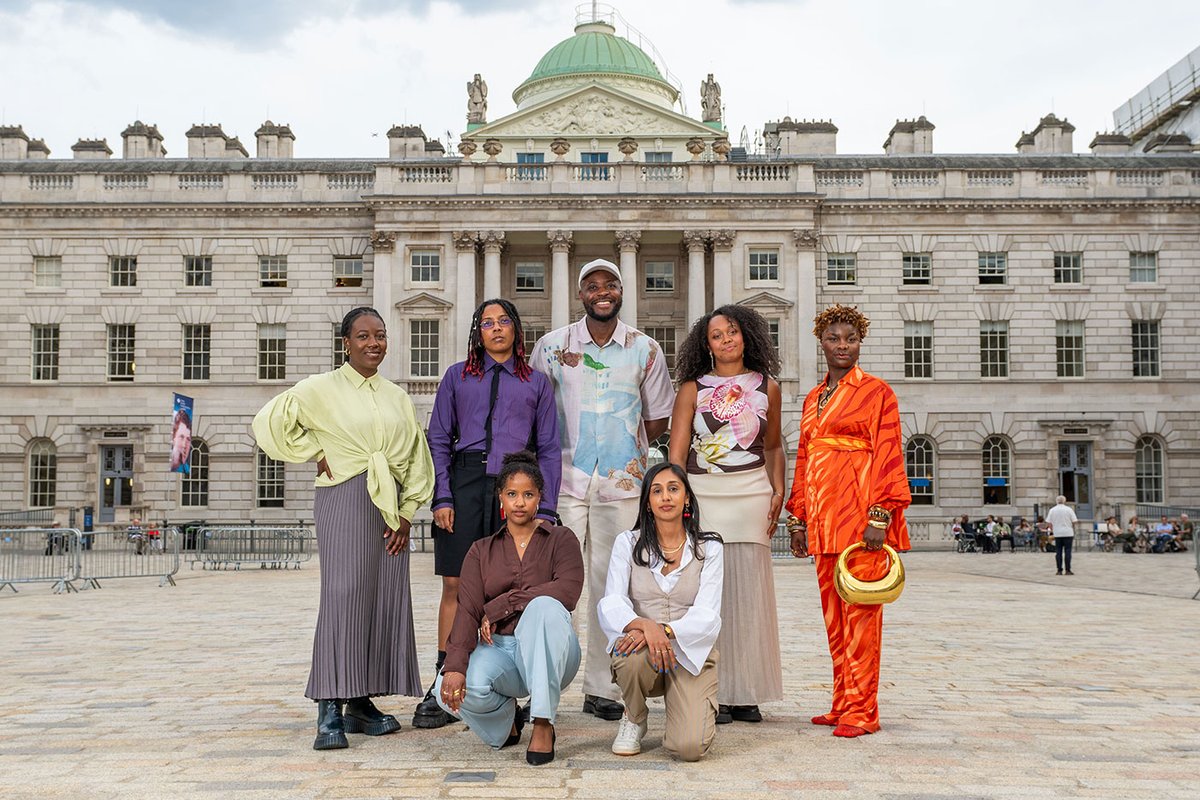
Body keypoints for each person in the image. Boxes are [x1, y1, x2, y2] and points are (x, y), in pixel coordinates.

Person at [252, 306, 434, 751]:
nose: (374, 343)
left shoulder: (397, 396)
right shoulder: (319, 388)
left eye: (381, 335)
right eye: (364, 336)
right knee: (344, 596)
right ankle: (328, 702)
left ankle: (360, 700)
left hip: (390, 506)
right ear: (346, 342)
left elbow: (415, 457)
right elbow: (268, 423)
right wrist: (314, 449)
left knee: (382, 596)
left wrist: (408, 514)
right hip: (345, 495)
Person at [530, 258, 675, 722]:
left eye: (610, 284)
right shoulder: (551, 347)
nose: (602, 292)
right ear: (581, 295)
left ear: (621, 291)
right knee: (553, 585)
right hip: (563, 481)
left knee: (611, 587)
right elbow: (536, 411)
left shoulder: (645, 349)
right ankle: (545, 684)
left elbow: (656, 420)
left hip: (622, 483)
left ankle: (600, 687)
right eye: (592, 286)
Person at [414, 299, 561, 730]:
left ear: (516, 329)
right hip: (463, 485)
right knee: (457, 583)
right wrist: (442, 496)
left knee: (513, 586)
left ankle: (512, 685)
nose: (496, 329)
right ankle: (444, 679)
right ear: (478, 331)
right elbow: (438, 438)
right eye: (487, 323)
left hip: (514, 486)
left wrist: (545, 507)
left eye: (503, 322)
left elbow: (549, 446)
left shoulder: (536, 382)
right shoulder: (457, 377)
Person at [785, 304, 911, 738]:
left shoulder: (877, 392)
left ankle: (864, 710)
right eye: (835, 338)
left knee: (862, 616)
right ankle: (842, 701)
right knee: (835, 618)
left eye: (851, 339)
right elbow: (803, 458)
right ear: (821, 341)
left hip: (860, 519)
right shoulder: (812, 398)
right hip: (822, 519)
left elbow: (891, 452)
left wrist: (881, 514)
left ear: (861, 342)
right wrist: (797, 517)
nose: (843, 346)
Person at [667, 304, 784, 724]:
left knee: (749, 595)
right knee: (708, 595)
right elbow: (677, 452)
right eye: (717, 335)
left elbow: (772, 447)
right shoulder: (691, 390)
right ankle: (712, 691)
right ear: (707, 345)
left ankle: (745, 692)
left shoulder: (768, 386)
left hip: (752, 492)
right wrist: (677, 501)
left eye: (733, 332)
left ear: (747, 335)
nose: (727, 340)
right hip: (706, 494)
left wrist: (779, 488)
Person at [435, 451, 584, 766]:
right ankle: (507, 723)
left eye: (528, 494)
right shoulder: (481, 550)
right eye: (512, 494)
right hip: (501, 650)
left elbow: (568, 591)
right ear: (500, 497)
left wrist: (505, 603)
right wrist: (455, 666)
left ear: (539, 497)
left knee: (544, 606)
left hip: (554, 651)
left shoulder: (561, 539)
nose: (520, 502)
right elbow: (467, 611)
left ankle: (543, 722)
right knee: (444, 688)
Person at [599, 462, 724, 761]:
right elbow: (611, 601)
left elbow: (708, 614)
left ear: (687, 498)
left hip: (690, 654)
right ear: (647, 502)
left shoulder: (710, 548)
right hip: (642, 652)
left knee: (689, 748)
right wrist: (645, 625)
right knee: (628, 657)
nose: (665, 497)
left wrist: (665, 631)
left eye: (673, 489)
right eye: (657, 491)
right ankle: (634, 716)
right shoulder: (627, 543)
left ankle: (684, 712)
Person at [1046, 495, 1078, 575]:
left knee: (1058, 552)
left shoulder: (1052, 510)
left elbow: (1049, 523)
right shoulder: (1069, 509)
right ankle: (1068, 570)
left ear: (1056, 501)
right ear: (1064, 501)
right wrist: (1072, 527)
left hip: (1058, 533)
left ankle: (1059, 570)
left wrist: (1053, 530)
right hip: (1068, 532)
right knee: (1068, 551)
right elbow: (1074, 521)